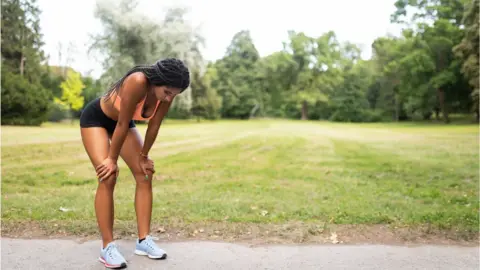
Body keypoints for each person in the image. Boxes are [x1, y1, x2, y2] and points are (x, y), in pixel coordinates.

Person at [79, 58, 190, 269]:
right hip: (97, 120)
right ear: (157, 80)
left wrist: (144, 156)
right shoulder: (137, 81)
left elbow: (154, 126)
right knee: (108, 176)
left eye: (174, 94)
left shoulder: (168, 93)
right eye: (167, 92)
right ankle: (107, 247)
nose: (169, 98)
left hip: (122, 124)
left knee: (144, 173)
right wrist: (111, 159)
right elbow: (120, 123)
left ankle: (143, 241)